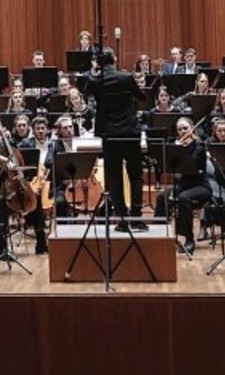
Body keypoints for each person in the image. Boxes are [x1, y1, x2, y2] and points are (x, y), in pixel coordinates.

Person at [83, 48, 146, 231]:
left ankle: (122, 219)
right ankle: (136, 216)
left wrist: (94, 71)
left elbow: (86, 91)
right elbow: (141, 97)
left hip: (110, 134)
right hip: (129, 132)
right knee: (135, 175)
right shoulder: (125, 78)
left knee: (114, 177)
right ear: (114, 60)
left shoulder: (96, 80)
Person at [0, 112, 48, 255]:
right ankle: (3, 248)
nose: (0, 130)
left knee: (33, 196)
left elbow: (6, 164)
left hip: (1, 187)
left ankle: (41, 241)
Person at [154, 117, 210, 253]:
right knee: (162, 196)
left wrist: (180, 149)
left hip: (200, 187)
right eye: (179, 129)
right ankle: (159, 233)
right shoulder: (177, 146)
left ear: (192, 129)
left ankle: (189, 239)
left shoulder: (199, 146)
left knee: (183, 198)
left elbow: (191, 164)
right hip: (183, 186)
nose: (182, 131)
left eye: (185, 128)